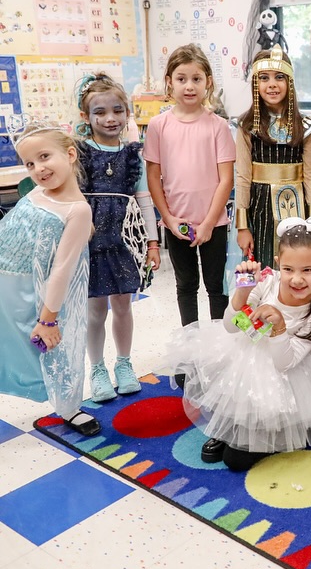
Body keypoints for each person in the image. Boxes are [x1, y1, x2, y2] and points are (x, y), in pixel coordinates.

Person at [170, 215, 311, 471]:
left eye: (308, 270)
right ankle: (225, 427)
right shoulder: (268, 281)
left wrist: (279, 327)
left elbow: (284, 363)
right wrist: (243, 290)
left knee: (236, 460)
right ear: (278, 265)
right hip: (242, 355)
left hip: (283, 376)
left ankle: (247, 434)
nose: (297, 279)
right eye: (288, 269)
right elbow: (231, 325)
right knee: (194, 375)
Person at [0, 122, 99, 436]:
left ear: (70, 154)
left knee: (54, 352)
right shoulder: (38, 194)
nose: (38, 168)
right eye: (30, 163)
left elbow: (62, 270)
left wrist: (49, 319)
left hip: (31, 293)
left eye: (44, 157)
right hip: (6, 285)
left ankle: (69, 407)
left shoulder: (77, 210)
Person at [74, 73, 161, 402]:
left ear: (127, 112)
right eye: (100, 112)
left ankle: (123, 364)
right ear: (86, 117)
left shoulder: (132, 154)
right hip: (90, 242)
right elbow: (71, 196)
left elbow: (145, 200)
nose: (110, 118)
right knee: (95, 310)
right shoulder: (79, 153)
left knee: (124, 306)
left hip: (124, 241)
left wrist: (153, 244)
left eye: (117, 110)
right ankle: (97, 368)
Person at [144, 43, 235, 326]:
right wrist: (168, 218)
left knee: (216, 288)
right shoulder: (158, 126)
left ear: (208, 82)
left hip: (214, 223)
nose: (189, 86)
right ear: (170, 82)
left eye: (196, 79)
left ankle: (221, 350)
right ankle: (190, 350)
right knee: (185, 287)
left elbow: (226, 179)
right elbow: (153, 177)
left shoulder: (218, 125)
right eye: (182, 79)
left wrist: (208, 223)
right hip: (176, 223)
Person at [234, 45, 311, 269]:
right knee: (262, 270)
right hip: (259, 209)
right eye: (264, 78)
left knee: (297, 267)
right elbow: (243, 177)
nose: (272, 84)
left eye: (279, 77)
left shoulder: (306, 126)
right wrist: (243, 226)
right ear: (256, 84)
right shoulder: (247, 126)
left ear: (290, 82)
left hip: (299, 209)